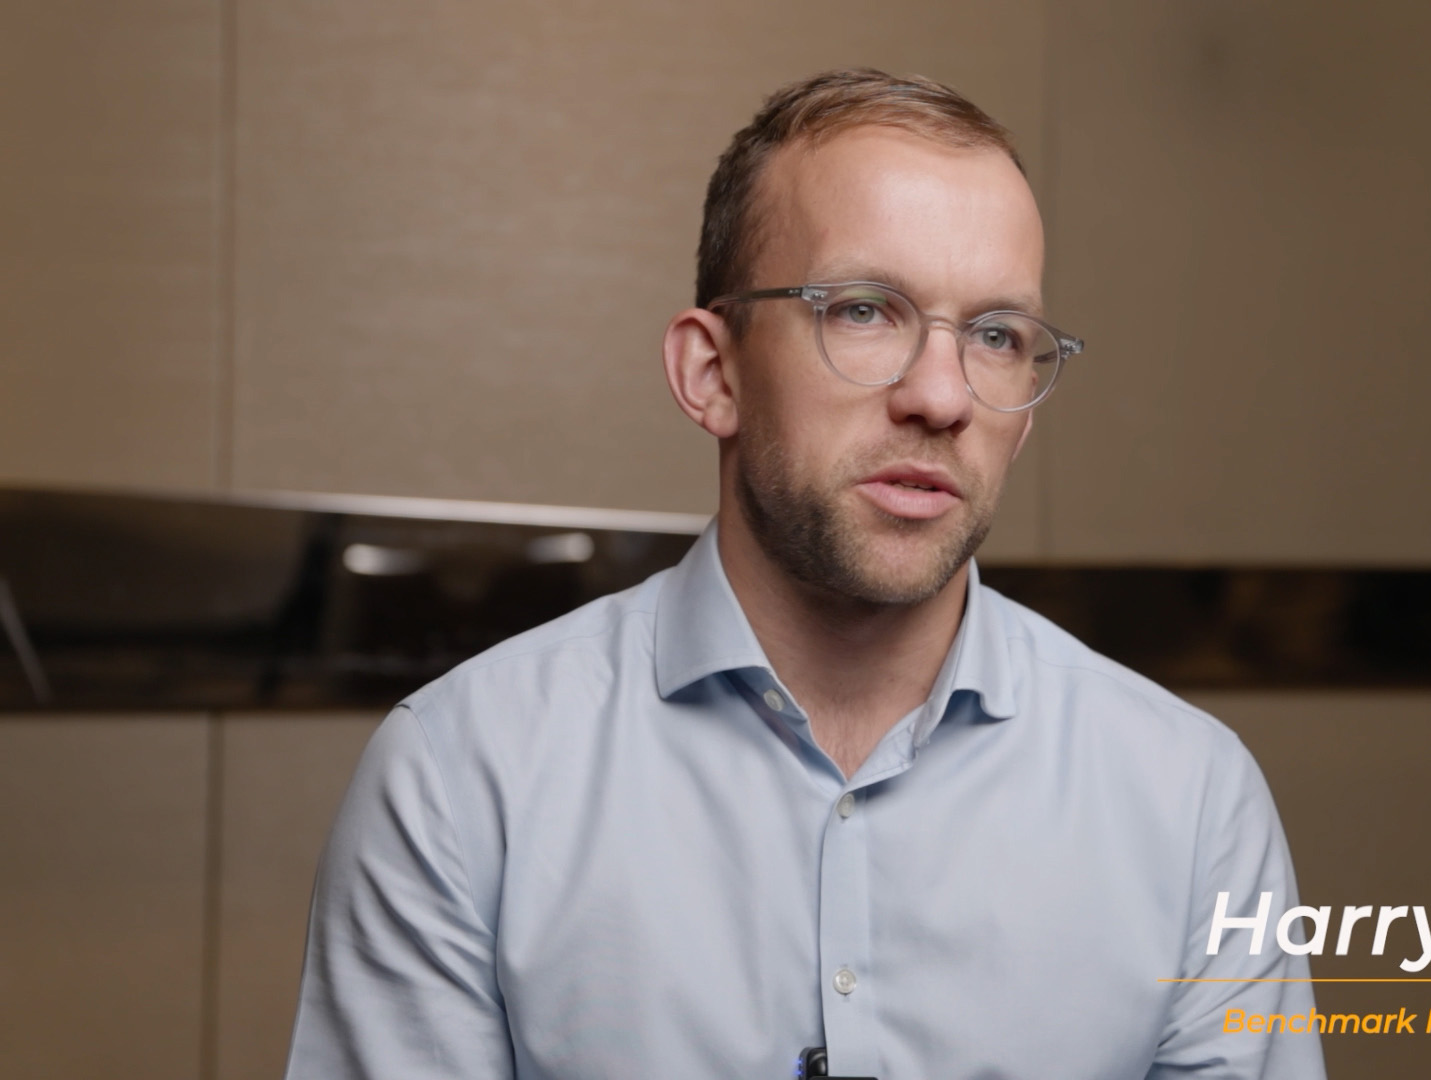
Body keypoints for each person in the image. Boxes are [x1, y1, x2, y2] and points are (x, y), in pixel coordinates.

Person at [286, 68, 1325, 1079]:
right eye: (864, 310)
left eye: (997, 335)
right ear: (713, 373)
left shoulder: (1188, 800)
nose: (942, 397)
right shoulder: (464, 782)